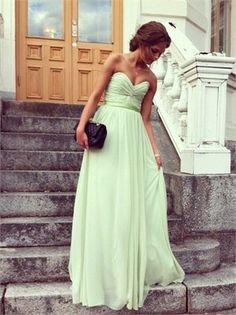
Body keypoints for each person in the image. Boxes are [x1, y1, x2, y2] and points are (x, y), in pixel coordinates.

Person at [68, 21, 185, 311]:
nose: (156, 57)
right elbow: (95, 96)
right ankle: (101, 270)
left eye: (160, 54)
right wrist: (81, 126)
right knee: (104, 198)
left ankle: (122, 271)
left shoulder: (152, 79)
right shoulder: (115, 60)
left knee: (127, 202)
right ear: (143, 41)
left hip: (133, 139)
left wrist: (156, 152)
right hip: (109, 133)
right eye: (154, 50)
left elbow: (146, 119)